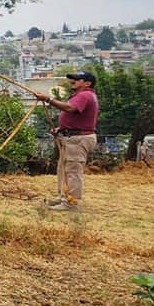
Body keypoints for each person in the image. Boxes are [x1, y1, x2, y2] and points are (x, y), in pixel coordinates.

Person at [33, 70, 99, 212]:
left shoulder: (85, 95)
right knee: (64, 169)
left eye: (77, 79)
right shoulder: (83, 95)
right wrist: (61, 128)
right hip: (72, 137)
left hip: (78, 139)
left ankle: (71, 203)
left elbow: (70, 108)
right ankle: (64, 197)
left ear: (87, 83)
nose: (73, 81)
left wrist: (48, 99)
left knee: (72, 171)